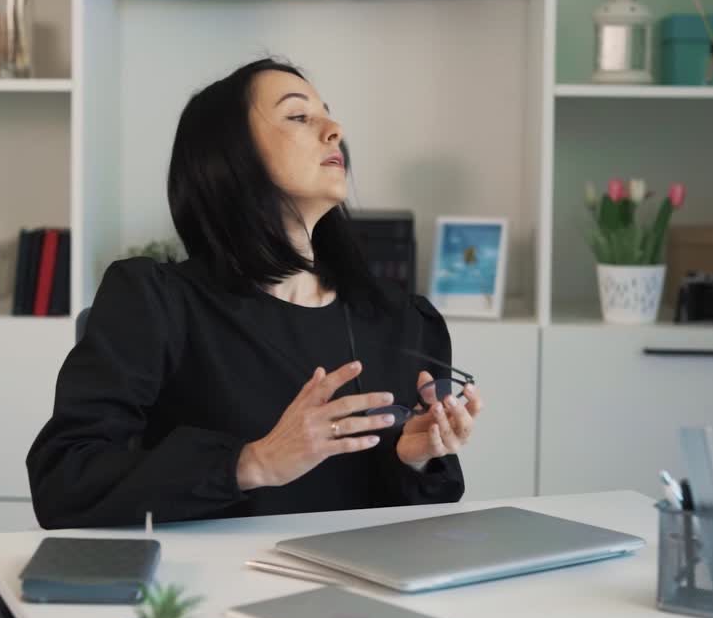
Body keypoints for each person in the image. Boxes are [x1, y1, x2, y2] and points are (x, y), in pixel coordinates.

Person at [26, 58, 483, 528]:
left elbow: (419, 527)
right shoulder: (156, 304)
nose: (334, 128)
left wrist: (416, 459)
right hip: (212, 595)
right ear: (230, 156)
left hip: (361, 595)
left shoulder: (400, 320)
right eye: (299, 116)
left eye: (326, 113)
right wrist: (252, 462)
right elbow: (62, 482)